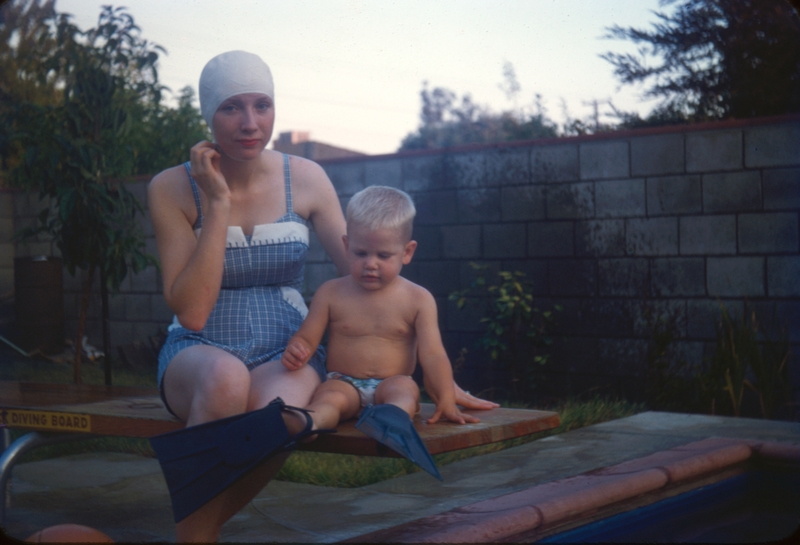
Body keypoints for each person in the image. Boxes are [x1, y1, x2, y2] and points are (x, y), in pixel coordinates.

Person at [148, 50, 497, 542]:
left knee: (281, 421)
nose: (250, 123)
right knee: (225, 379)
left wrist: (439, 377)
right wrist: (218, 202)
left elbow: (368, 270)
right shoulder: (172, 187)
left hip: (286, 351)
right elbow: (193, 310)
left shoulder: (305, 178)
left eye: (262, 105)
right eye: (231, 108)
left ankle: (195, 535)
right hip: (197, 351)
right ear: (208, 113)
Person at [282, 186, 480, 460]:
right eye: (361, 253)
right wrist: (297, 348)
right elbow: (307, 337)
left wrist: (446, 397)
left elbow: (433, 354)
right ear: (346, 246)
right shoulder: (331, 292)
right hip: (343, 381)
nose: (370, 264)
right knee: (329, 399)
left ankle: (391, 422)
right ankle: (309, 423)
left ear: (407, 252)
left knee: (405, 392)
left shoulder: (418, 299)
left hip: (393, 380)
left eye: (383, 256)